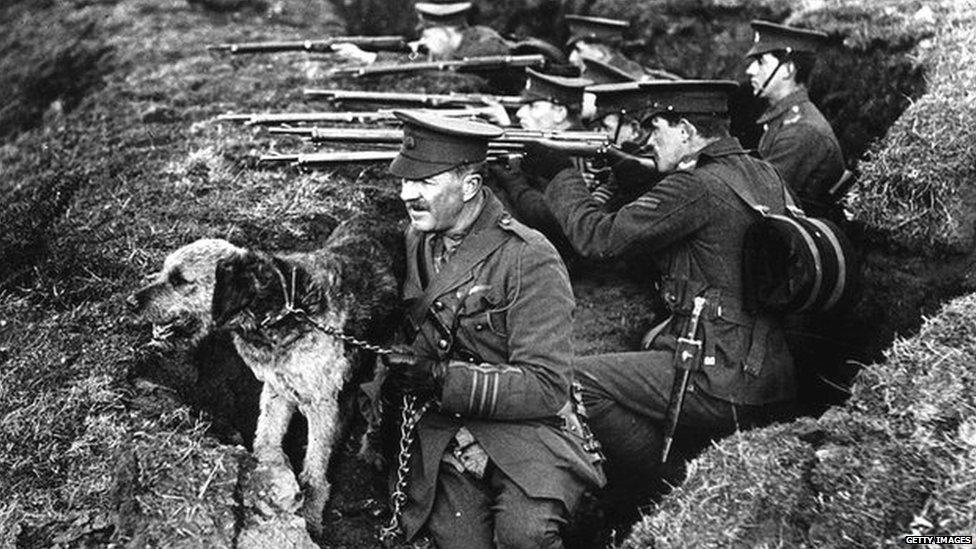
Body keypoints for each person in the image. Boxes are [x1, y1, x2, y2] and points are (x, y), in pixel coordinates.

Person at [519, 80, 798, 511]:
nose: (649, 141)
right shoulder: (762, 172)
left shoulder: (695, 188)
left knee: (575, 382)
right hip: (768, 368)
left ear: (685, 131)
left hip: (718, 375)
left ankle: (675, 492)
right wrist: (631, 170)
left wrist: (561, 177)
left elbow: (597, 238)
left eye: (657, 131)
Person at [382, 110, 605, 548]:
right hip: (444, 430)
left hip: (524, 431)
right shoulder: (417, 240)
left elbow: (546, 385)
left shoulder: (528, 257)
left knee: (526, 537)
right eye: (405, 180)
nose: (408, 194)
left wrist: (440, 379)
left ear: (470, 186)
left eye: (425, 182)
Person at [745, 20, 845, 218]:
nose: (751, 70)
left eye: (761, 62)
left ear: (789, 69)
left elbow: (763, 199)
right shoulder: (786, 120)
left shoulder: (801, 130)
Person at [333, 1, 510, 63]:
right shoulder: (448, 50)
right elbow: (415, 64)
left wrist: (368, 58)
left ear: (445, 32)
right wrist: (362, 56)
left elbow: (448, 76)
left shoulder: (487, 45)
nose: (423, 40)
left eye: (427, 34)